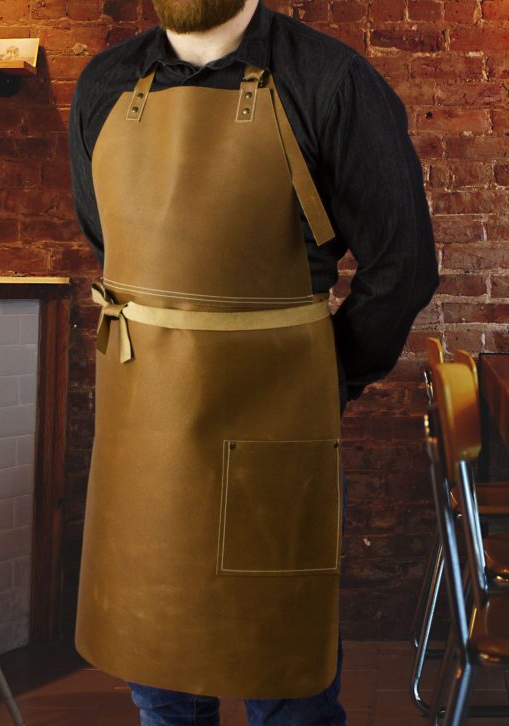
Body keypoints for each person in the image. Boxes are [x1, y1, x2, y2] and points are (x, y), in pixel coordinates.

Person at [68, 0, 439, 723]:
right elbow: (107, 238)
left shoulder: (332, 81)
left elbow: (404, 268)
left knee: (285, 685)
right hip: (146, 427)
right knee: (161, 684)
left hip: (276, 423)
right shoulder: (104, 84)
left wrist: (324, 379)